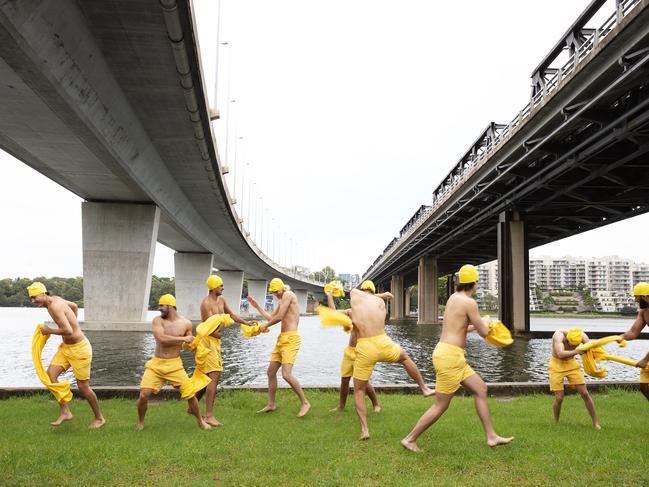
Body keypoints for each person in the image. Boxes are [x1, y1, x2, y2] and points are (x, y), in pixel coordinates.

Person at [400, 265, 513, 452]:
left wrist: (479, 324)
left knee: (481, 389)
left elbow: (459, 328)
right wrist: (487, 321)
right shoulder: (470, 303)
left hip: (451, 354)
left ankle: (492, 437)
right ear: (474, 283)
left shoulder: (454, 298)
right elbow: (485, 332)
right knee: (441, 405)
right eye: (477, 282)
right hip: (450, 357)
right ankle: (410, 439)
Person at [349, 280, 434, 440]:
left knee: (359, 390)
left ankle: (365, 430)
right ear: (374, 292)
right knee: (405, 357)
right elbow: (373, 300)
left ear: (363, 290)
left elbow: (356, 293)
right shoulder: (381, 303)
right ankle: (424, 388)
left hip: (365, 346)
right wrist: (380, 295)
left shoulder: (355, 296)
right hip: (383, 342)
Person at [27, 282, 106, 428]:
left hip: (80, 349)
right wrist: (73, 321)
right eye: (31, 298)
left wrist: (49, 330)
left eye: (34, 297)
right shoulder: (55, 299)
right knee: (51, 374)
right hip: (66, 348)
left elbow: (68, 331)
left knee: (83, 386)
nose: (33, 301)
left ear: (43, 293)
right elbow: (74, 306)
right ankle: (65, 412)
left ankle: (99, 418)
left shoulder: (54, 307)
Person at [137, 294, 211, 431]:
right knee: (143, 395)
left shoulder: (186, 323)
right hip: (156, 364)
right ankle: (141, 423)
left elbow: (189, 343)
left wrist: (195, 346)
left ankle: (201, 421)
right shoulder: (157, 321)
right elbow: (161, 339)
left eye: (161, 306)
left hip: (175, 365)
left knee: (190, 394)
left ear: (171, 306)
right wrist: (183, 339)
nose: (159, 308)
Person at [247, 278, 310, 417]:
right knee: (270, 372)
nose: (276, 295)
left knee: (286, 374)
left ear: (282, 289)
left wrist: (265, 326)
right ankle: (271, 404)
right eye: (274, 293)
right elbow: (271, 318)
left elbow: (280, 317)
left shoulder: (289, 295)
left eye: (276, 292)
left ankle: (305, 403)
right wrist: (257, 307)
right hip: (282, 339)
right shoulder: (282, 300)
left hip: (291, 339)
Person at [193, 275, 251, 426]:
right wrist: (219, 332)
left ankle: (191, 406)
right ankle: (209, 416)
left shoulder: (222, 300)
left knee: (208, 377)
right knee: (214, 375)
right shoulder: (206, 304)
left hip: (216, 342)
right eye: (220, 286)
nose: (223, 288)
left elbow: (231, 314)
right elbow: (207, 329)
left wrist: (246, 323)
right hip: (208, 342)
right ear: (213, 287)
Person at [325, 288, 381, 413]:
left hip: (363, 351)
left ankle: (376, 404)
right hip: (349, 350)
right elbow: (333, 313)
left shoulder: (373, 313)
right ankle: (341, 406)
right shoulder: (351, 312)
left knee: (363, 383)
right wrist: (329, 296)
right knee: (344, 380)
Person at [548, 328, 600, 429]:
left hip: (572, 364)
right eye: (571, 344)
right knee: (559, 398)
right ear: (567, 340)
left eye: (575, 345)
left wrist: (595, 355)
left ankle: (595, 423)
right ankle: (556, 422)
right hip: (556, 364)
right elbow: (560, 354)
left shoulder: (582, 336)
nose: (572, 347)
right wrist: (577, 351)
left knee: (585, 393)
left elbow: (591, 348)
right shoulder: (558, 336)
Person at [621, 282, 649, 402]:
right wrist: (617, 338)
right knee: (643, 385)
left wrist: (645, 359)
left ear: (645, 296)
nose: (636, 300)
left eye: (637, 297)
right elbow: (633, 332)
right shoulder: (643, 312)